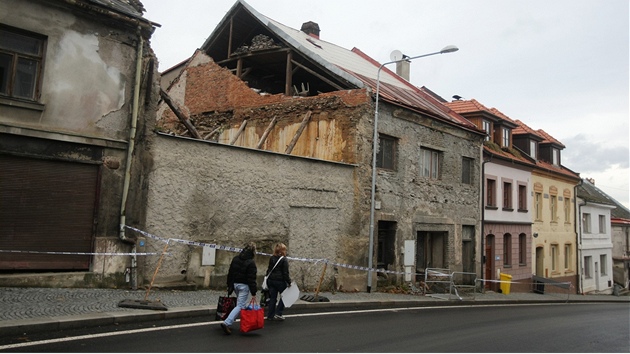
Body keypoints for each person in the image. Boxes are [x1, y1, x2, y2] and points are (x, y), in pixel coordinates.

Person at [221, 242, 257, 335]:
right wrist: (254, 292)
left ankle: (244, 322)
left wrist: (229, 285)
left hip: (235, 284)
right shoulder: (251, 263)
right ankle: (227, 322)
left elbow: (231, 272)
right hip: (244, 286)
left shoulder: (236, 259)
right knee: (240, 305)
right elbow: (251, 278)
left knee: (241, 304)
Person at [265, 242, 291, 321]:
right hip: (280, 281)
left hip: (271, 280)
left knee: (273, 298)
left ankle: (270, 315)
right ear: (282, 251)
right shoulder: (284, 260)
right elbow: (285, 273)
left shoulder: (272, 258)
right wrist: (289, 282)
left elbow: (269, 269)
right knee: (285, 296)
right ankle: (279, 312)